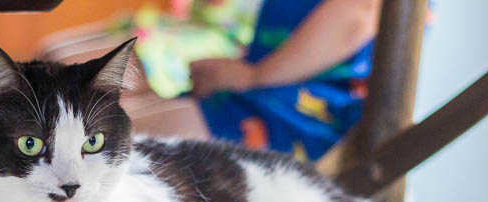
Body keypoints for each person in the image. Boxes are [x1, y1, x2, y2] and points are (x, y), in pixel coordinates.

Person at [130, 0, 383, 161]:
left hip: (308, 118)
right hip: (271, 93)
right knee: (118, 115)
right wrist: (239, 70)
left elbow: (359, 13)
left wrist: (254, 75)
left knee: (122, 136)